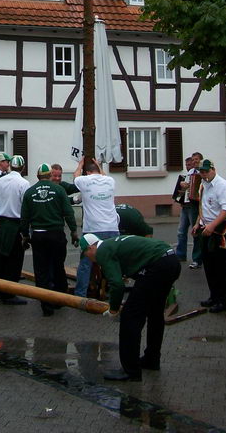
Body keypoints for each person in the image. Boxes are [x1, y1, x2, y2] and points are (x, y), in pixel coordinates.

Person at [81, 233, 180, 381]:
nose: (88, 258)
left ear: (91, 247)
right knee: (155, 313)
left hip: (157, 266)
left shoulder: (102, 251)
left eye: (85, 254)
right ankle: (152, 359)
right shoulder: (112, 243)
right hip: (171, 260)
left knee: (130, 317)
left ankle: (130, 370)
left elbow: (117, 285)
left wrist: (113, 309)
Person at [20, 163, 79, 316]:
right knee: (58, 266)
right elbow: (68, 213)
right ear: (49, 175)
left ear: (38, 176)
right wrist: (73, 231)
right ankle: (59, 299)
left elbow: (25, 217)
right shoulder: (59, 190)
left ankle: (46, 305)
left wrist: (25, 235)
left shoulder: (30, 192)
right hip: (56, 234)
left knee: (41, 270)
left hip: (38, 235)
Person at [192, 158, 226, 313]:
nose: (203, 175)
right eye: (201, 172)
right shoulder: (204, 185)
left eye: (205, 172)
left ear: (212, 170)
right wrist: (198, 223)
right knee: (209, 266)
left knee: (221, 268)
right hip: (206, 229)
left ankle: (223, 301)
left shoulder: (223, 186)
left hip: (220, 231)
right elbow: (203, 207)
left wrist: (212, 225)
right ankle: (213, 296)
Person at [72, 157, 119, 297]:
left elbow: (75, 176)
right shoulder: (110, 181)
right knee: (112, 262)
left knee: (86, 263)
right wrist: (99, 165)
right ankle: (114, 292)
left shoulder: (84, 181)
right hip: (111, 226)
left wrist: (80, 164)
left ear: (87, 172)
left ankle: (80, 294)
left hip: (92, 229)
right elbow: (104, 175)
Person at [0, 154, 29, 304]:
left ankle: (2, 290)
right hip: (15, 224)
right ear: (23, 167)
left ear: (11, 166)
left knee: (2, 258)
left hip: (1, 223)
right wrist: (26, 232)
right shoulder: (23, 183)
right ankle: (10, 293)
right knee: (15, 260)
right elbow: (25, 208)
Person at [173, 155, 202, 268]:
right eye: (188, 164)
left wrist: (190, 186)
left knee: (195, 232)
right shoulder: (188, 175)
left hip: (194, 206)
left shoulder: (201, 174)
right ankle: (180, 254)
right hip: (185, 206)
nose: (190, 165)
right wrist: (181, 189)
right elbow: (181, 192)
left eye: (195, 161)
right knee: (181, 231)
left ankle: (197, 258)